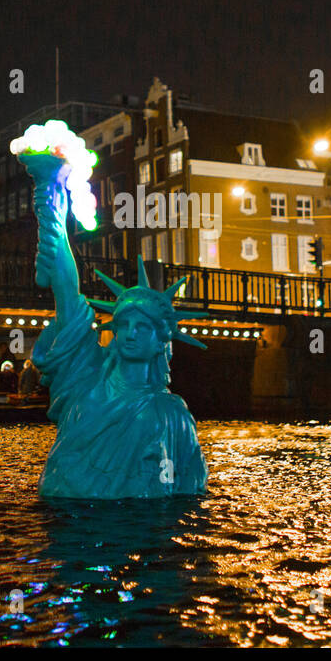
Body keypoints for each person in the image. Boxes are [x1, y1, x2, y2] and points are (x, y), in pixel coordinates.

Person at [19, 146, 209, 499]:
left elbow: (189, 487)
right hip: (66, 528)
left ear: (161, 340)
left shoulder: (171, 414)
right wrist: (50, 201)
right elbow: (67, 293)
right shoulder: (84, 378)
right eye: (123, 325)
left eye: (143, 327)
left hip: (138, 533)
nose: (130, 333)